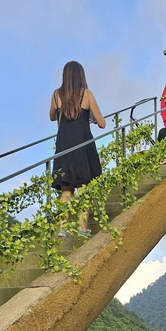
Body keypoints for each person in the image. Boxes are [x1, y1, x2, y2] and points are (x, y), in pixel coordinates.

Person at [49, 60, 106, 236]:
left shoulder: (56, 95)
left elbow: (52, 116)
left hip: (64, 146)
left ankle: (62, 229)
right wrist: (91, 119)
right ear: (81, 75)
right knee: (83, 187)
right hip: (83, 145)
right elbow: (103, 123)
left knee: (66, 189)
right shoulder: (86, 94)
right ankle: (82, 230)